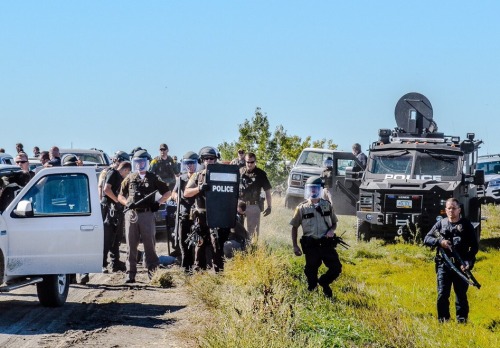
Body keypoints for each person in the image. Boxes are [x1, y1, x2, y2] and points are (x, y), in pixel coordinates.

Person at [118, 149, 171, 284]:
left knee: (149, 244)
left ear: (146, 162)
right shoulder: (129, 178)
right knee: (131, 244)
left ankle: (153, 273)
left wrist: (158, 203)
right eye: (137, 162)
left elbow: (168, 192)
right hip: (132, 215)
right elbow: (120, 195)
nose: (140, 165)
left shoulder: (153, 177)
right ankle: (130, 274)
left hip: (147, 214)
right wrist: (126, 203)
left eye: (142, 162)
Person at [423, 198, 479, 323]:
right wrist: (440, 242)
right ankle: (443, 321)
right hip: (444, 264)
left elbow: (474, 247)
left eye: (454, 208)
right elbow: (427, 238)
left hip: (460, 266)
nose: (451, 211)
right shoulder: (440, 224)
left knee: (461, 296)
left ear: (459, 210)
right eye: (449, 208)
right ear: (445, 210)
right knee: (442, 294)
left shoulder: (466, 225)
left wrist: (469, 262)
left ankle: (462, 321)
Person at [290, 176, 342, 298]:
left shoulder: (327, 205)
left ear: (320, 190)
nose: (313, 191)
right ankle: (312, 294)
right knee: (311, 271)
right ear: (307, 190)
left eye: (316, 189)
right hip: (311, 245)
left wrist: (331, 231)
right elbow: (294, 227)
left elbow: (334, 223)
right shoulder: (301, 208)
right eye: (311, 189)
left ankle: (324, 282)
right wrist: (295, 246)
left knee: (336, 268)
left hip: (326, 244)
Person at [184, 146, 228, 272]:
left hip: (217, 215)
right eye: (206, 159)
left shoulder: (222, 175)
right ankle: (199, 271)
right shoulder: (197, 176)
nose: (209, 161)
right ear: (201, 160)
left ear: (215, 159)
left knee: (216, 243)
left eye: (211, 158)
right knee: (200, 243)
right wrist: (199, 189)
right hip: (201, 214)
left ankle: (218, 271)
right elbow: (186, 192)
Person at [102, 153, 131, 273]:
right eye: (128, 172)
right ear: (125, 169)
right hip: (109, 209)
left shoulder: (119, 176)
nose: (127, 175)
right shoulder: (113, 173)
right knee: (107, 238)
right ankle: (102, 263)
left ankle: (115, 263)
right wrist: (116, 200)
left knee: (116, 237)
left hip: (116, 210)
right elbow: (106, 189)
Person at [170, 151, 199, 271]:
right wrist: (176, 197)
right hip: (184, 213)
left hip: (197, 213)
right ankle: (185, 266)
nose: (190, 166)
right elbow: (173, 192)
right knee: (183, 240)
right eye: (187, 163)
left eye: (192, 163)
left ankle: (197, 265)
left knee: (198, 241)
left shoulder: (199, 176)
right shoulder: (181, 178)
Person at [239, 152, 272, 242]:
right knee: (238, 230)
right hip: (240, 205)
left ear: (255, 161)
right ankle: (240, 250)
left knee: (253, 233)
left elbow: (267, 191)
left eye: (252, 162)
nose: (249, 164)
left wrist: (269, 206)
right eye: (247, 162)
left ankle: (252, 252)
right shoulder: (240, 171)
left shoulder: (261, 174)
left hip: (253, 205)